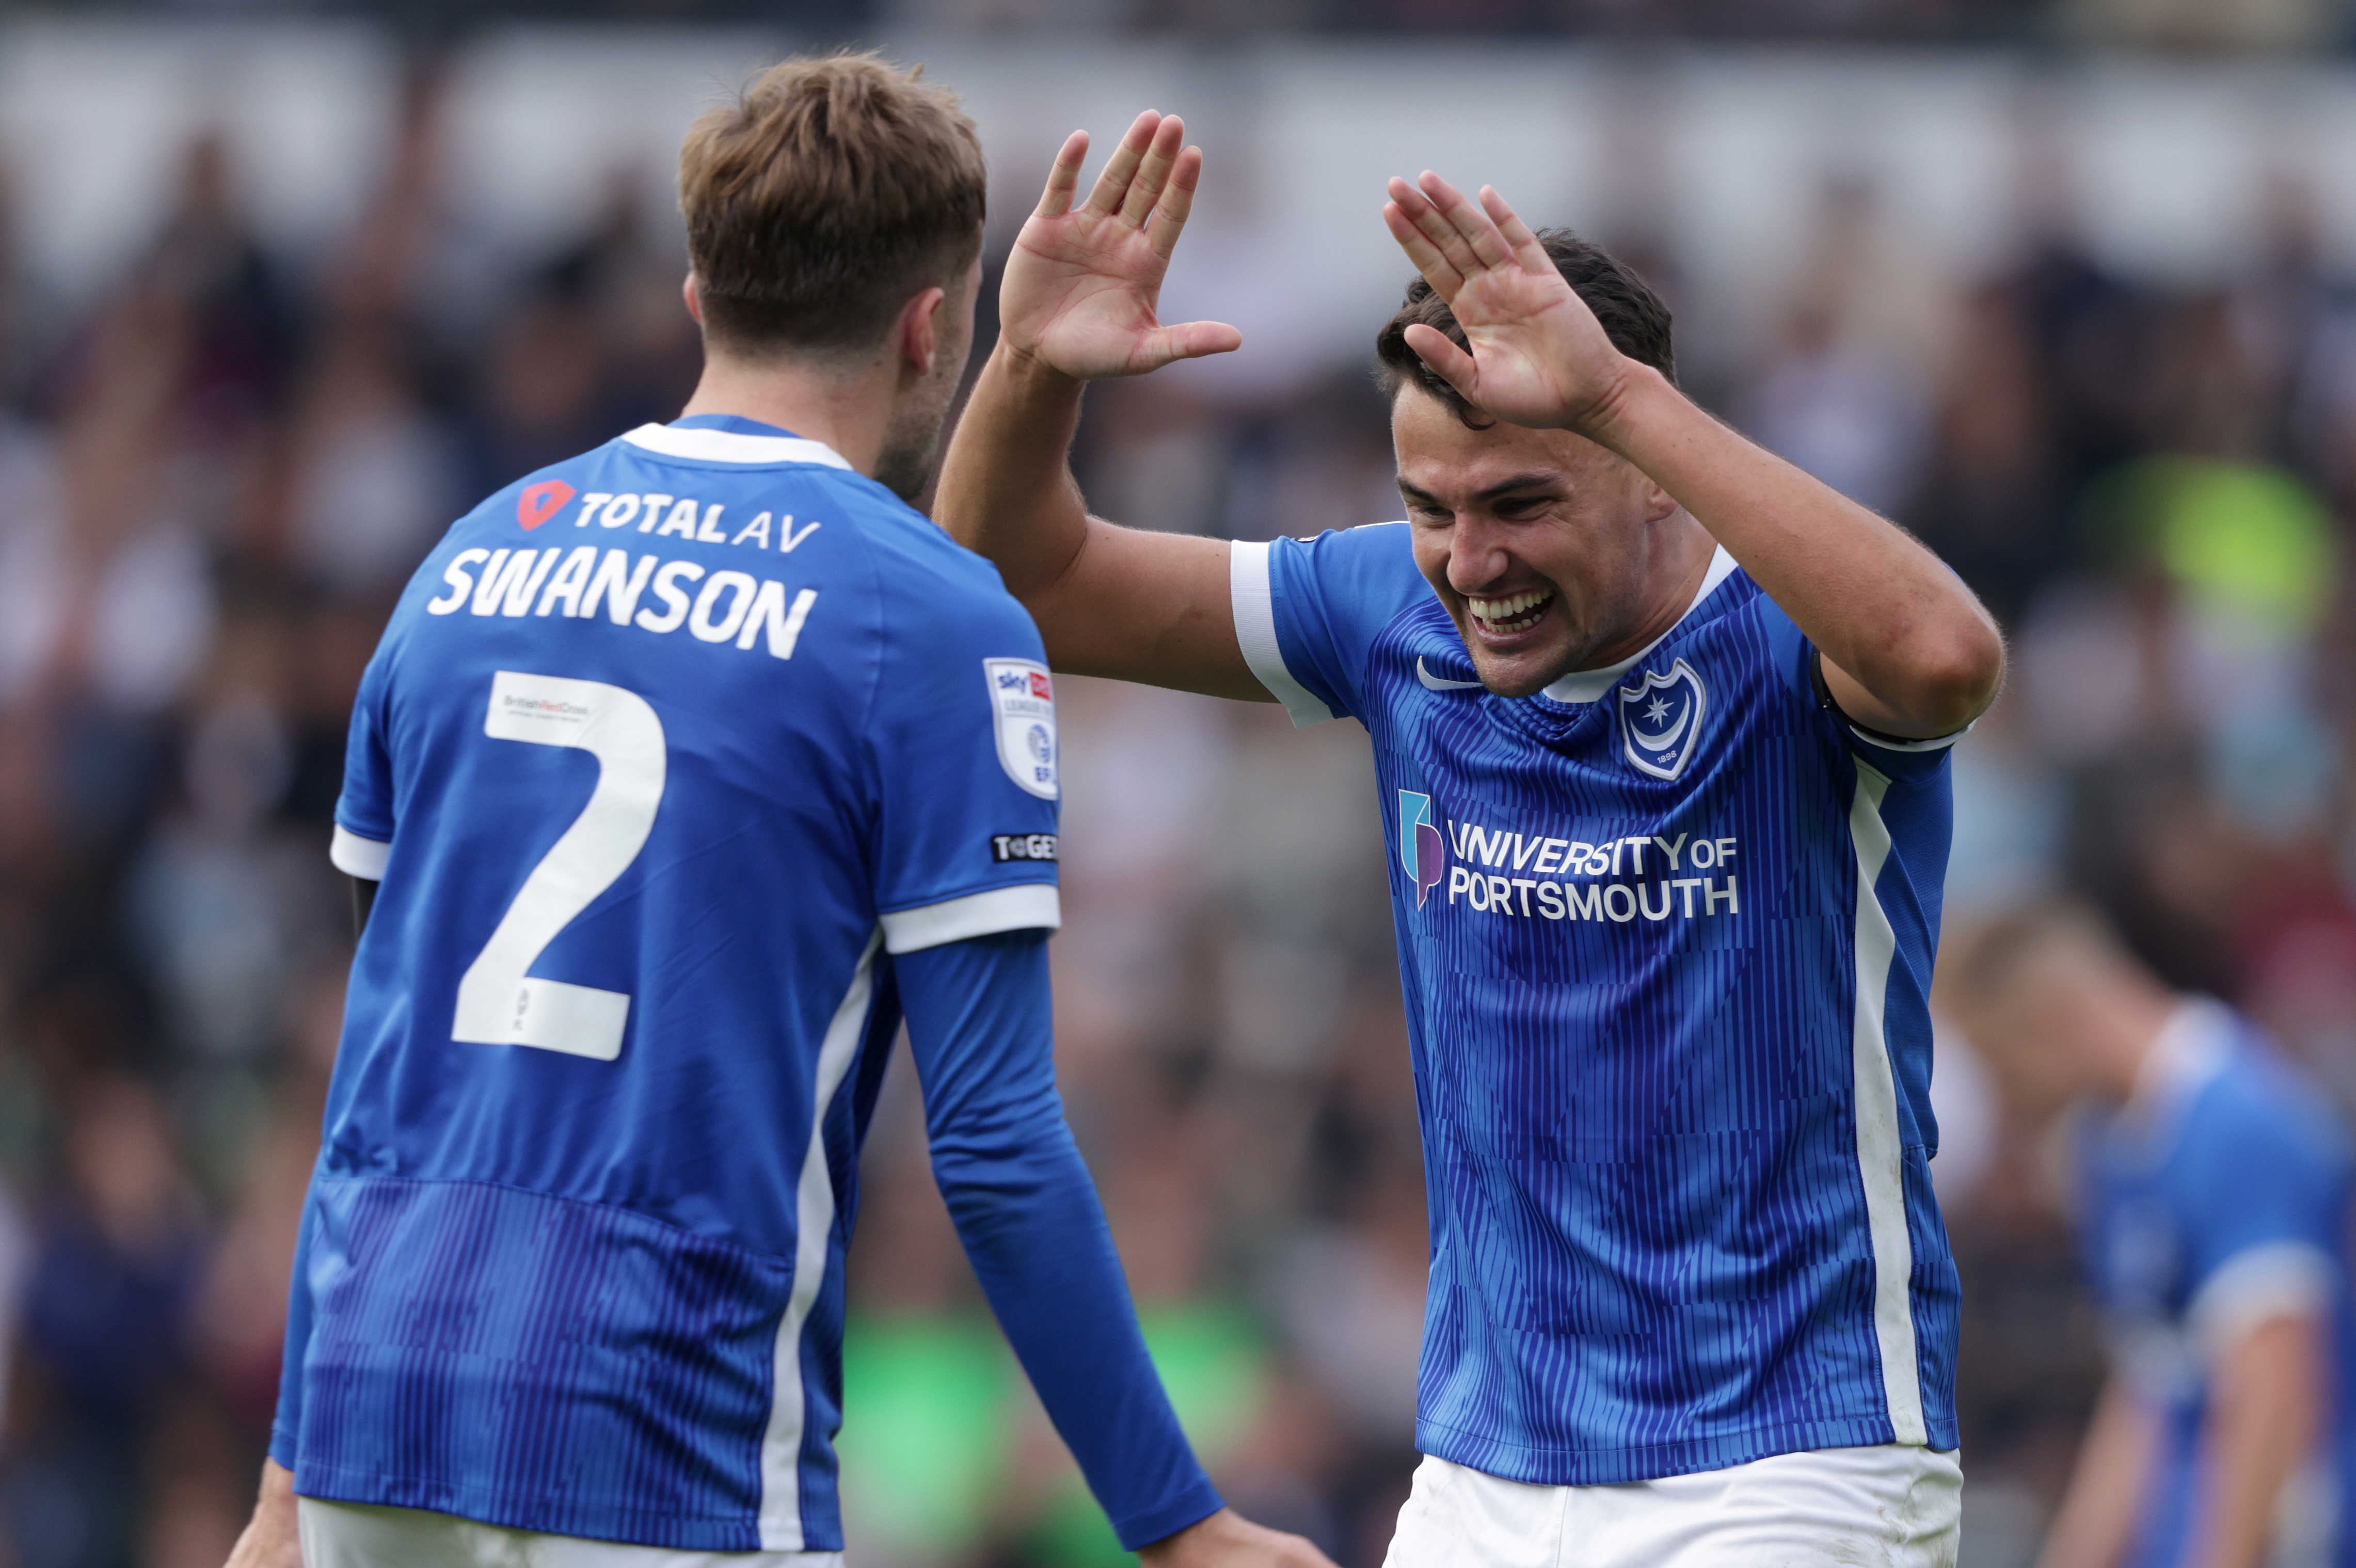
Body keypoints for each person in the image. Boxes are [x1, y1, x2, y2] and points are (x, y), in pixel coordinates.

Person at [222, 58, 1331, 1568]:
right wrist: (1176, 1518)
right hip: (660, 1426)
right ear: (932, 324)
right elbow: (996, 1142)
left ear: (697, 292)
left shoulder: (462, 566)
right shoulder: (929, 612)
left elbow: (382, 1060)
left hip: (376, 1418)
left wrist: (289, 1475)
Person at [936, 111, 2009, 1565]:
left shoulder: (1789, 637)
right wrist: (1028, 370)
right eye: (1429, 506)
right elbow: (1021, 580)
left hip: (1791, 1458)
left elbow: (1946, 656)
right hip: (1484, 1467)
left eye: (1519, 503)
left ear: (1647, 466)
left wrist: (1622, 399)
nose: (1470, 562)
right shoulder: (1388, 610)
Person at [1947, 901, 2355, 1568]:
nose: (2004, 1102)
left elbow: (2275, 1397)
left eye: (2000, 1065)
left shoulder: (2241, 1124)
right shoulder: (2110, 1146)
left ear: (2050, 1019)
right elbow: (2150, 1383)